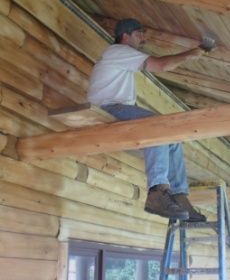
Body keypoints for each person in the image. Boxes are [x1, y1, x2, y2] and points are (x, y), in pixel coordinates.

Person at [87, 18, 207, 222]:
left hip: (118, 109)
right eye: (139, 33)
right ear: (125, 35)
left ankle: (179, 196)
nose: (143, 38)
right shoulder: (117, 51)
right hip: (107, 108)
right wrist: (191, 53)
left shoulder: (121, 56)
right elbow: (160, 65)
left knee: (173, 137)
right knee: (157, 125)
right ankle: (157, 192)